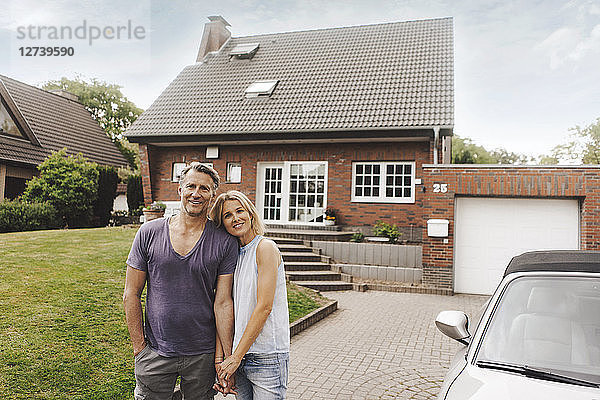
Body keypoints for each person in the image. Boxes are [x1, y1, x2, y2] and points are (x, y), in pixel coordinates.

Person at [123, 162, 238, 399]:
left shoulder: (224, 242)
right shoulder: (149, 233)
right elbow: (131, 294)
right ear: (180, 190)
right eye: (191, 186)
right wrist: (139, 348)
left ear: (212, 195)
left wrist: (226, 357)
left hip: (202, 355)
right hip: (155, 352)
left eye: (204, 189)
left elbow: (223, 302)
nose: (196, 194)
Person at [209, 190, 290, 400]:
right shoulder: (233, 256)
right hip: (239, 357)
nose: (235, 218)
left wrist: (235, 357)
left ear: (251, 214)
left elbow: (264, 307)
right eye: (227, 215)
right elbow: (223, 306)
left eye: (239, 211)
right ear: (222, 223)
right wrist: (223, 359)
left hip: (266, 357)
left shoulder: (265, 248)